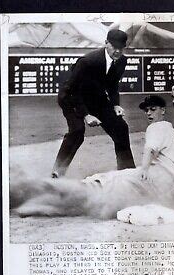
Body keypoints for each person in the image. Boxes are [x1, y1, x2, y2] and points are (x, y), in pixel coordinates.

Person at [12, 95, 174, 219]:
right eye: (147, 110)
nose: (149, 113)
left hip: (149, 178)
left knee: (102, 182)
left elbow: (150, 149)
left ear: (163, 111)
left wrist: (144, 169)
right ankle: (47, 203)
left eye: (153, 109)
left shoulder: (156, 128)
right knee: (110, 189)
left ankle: (40, 196)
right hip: (161, 187)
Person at [51, 29, 135, 178]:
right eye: (114, 46)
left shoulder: (122, 61)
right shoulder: (88, 61)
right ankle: (57, 172)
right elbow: (74, 91)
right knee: (77, 131)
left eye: (121, 48)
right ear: (106, 43)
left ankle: (127, 173)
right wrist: (86, 115)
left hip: (96, 98)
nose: (117, 51)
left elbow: (113, 85)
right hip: (71, 98)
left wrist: (115, 104)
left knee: (121, 127)